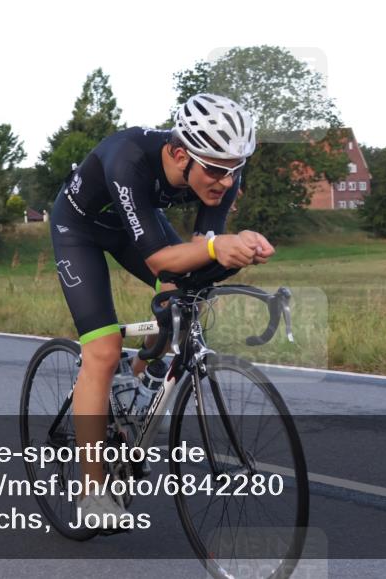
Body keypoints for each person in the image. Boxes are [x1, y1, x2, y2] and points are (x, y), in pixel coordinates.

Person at [49, 93, 276, 527]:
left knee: (183, 299)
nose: (226, 182)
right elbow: (158, 259)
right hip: (78, 229)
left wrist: (236, 247)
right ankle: (92, 491)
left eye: (234, 170)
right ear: (178, 154)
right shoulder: (128, 158)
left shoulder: (221, 173)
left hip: (130, 227)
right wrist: (216, 247)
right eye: (214, 170)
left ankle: (138, 381)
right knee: (103, 349)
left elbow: (197, 254)